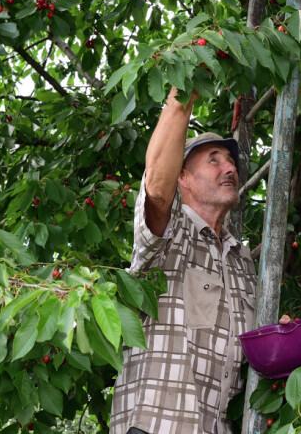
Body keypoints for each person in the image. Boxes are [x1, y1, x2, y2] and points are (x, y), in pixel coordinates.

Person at [110, 87, 290, 434]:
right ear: (183, 178)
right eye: (214, 159)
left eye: (230, 161)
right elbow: (157, 187)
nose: (229, 168)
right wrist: (183, 94)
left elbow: (245, 354)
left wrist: (279, 339)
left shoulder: (242, 262)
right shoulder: (170, 233)